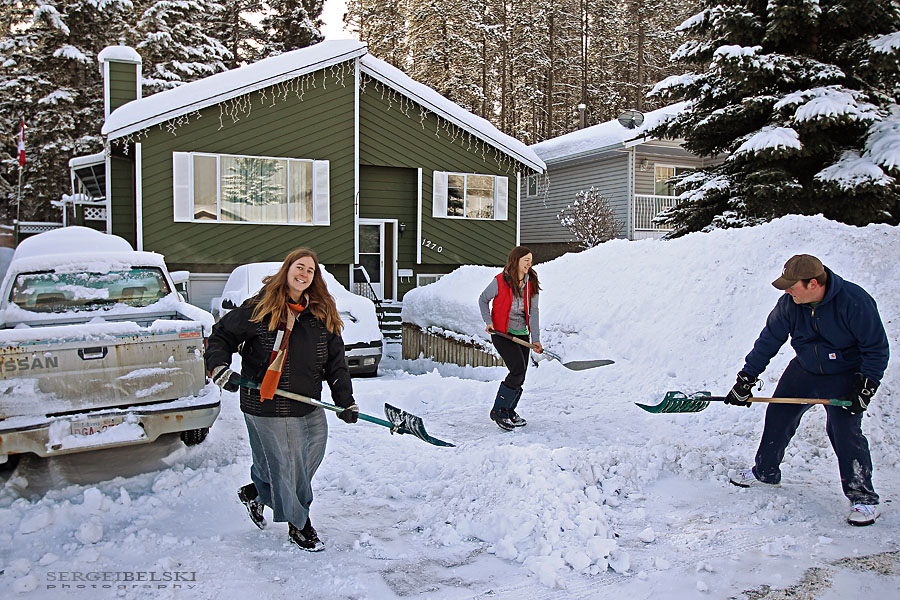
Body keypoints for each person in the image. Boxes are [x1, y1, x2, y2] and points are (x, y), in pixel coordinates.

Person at [205, 248, 358, 551]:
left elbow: (335, 362)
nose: (304, 274)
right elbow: (221, 335)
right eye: (299, 267)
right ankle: (299, 524)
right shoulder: (261, 307)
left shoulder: (321, 313)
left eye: (310, 270)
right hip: (265, 402)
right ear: (287, 269)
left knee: (307, 456)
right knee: (289, 467)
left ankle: (257, 492)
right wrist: (219, 367)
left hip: (306, 401)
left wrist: (345, 399)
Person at [725, 254, 889, 526]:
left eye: (792, 286)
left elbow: (876, 348)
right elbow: (769, 340)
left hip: (844, 373)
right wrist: (746, 378)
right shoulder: (790, 304)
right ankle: (765, 473)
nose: (787, 292)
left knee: (844, 431)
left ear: (813, 283)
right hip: (805, 368)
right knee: (778, 416)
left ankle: (864, 498)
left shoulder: (854, 301)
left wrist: (866, 387)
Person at [478, 246, 543, 430]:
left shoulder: (532, 282)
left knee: (521, 374)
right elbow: (483, 299)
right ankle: (499, 411)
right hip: (502, 334)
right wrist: (488, 322)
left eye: (531, 260)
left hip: (522, 334)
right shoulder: (500, 281)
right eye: (526, 260)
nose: (529, 264)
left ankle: (509, 410)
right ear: (516, 261)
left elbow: (534, 311)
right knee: (517, 370)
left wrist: (536, 339)